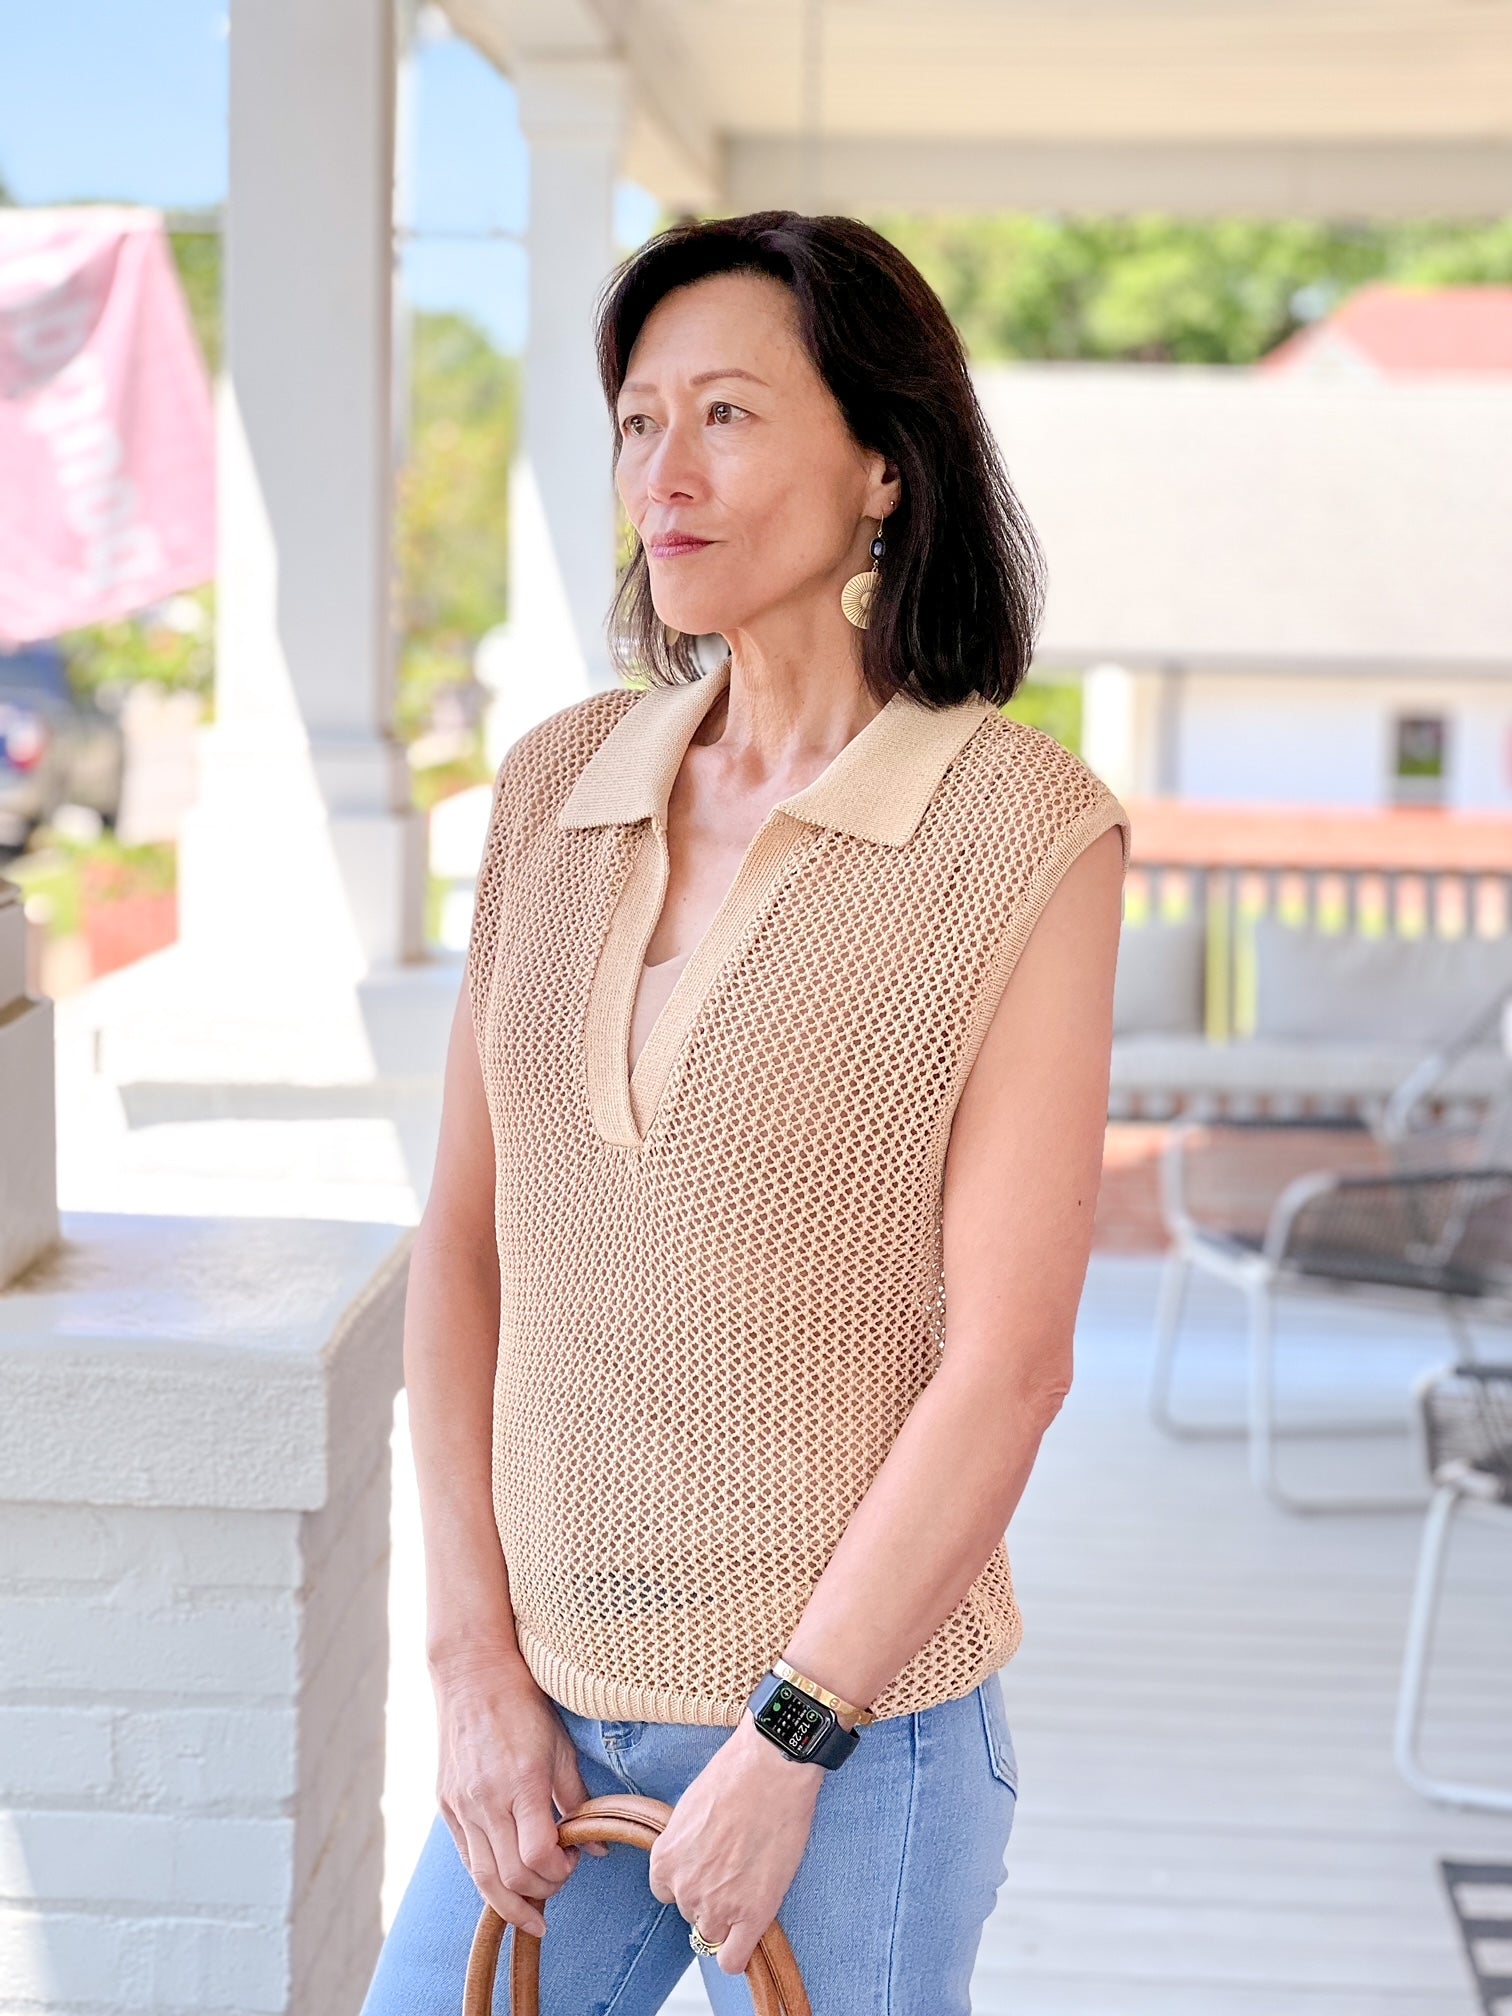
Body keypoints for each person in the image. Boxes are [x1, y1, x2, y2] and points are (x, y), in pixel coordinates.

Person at [360, 210, 1129, 2016]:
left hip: (857, 1742)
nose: (664, 472)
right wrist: (472, 1673)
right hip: (544, 1721)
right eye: (639, 421)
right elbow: (463, 1256)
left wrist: (791, 1739)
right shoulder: (554, 787)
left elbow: (1010, 1365)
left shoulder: (1023, 835)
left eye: (726, 414)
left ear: (883, 466)